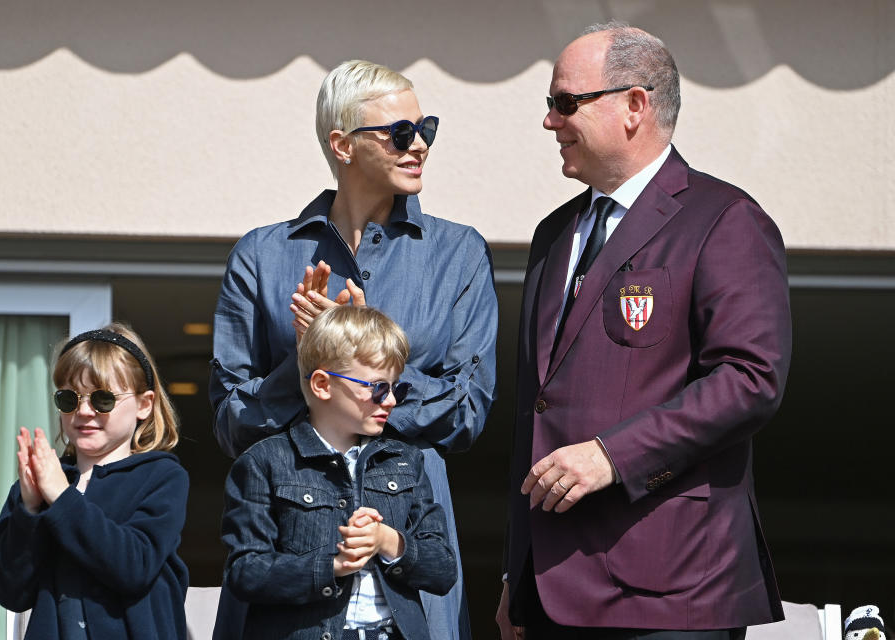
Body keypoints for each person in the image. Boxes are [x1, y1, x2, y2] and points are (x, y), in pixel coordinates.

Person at [497, 22, 792, 640]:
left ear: (634, 106)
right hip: (550, 594)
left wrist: (613, 456)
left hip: (670, 588)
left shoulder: (723, 219)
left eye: (564, 102)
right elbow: (537, 411)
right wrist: (513, 574)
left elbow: (749, 380)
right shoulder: (554, 235)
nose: (550, 121)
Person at [211, 59, 497, 639]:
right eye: (399, 133)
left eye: (427, 129)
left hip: (410, 571)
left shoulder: (459, 254)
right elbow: (231, 423)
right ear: (342, 144)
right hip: (285, 580)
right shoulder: (262, 256)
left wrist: (363, 351)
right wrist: (309, 360)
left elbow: (468, 414)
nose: (419, 145)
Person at [222, 305, 457, 640]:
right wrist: (333, 564)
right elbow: (246, 572)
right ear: (322, 384)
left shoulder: (404, 460)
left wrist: (388, 541)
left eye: (397, 389)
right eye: (378, 387)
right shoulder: (265, 461)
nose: (390, 400)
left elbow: (444, 569)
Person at [0, 324, 190, 640]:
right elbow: (11, 591)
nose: (84, 411)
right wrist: (28, 510)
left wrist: (61, 496)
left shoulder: (162, 476)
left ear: (143, 404)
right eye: (69, 399)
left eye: (103, 399)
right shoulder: (41, 484)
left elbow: (133, 566)